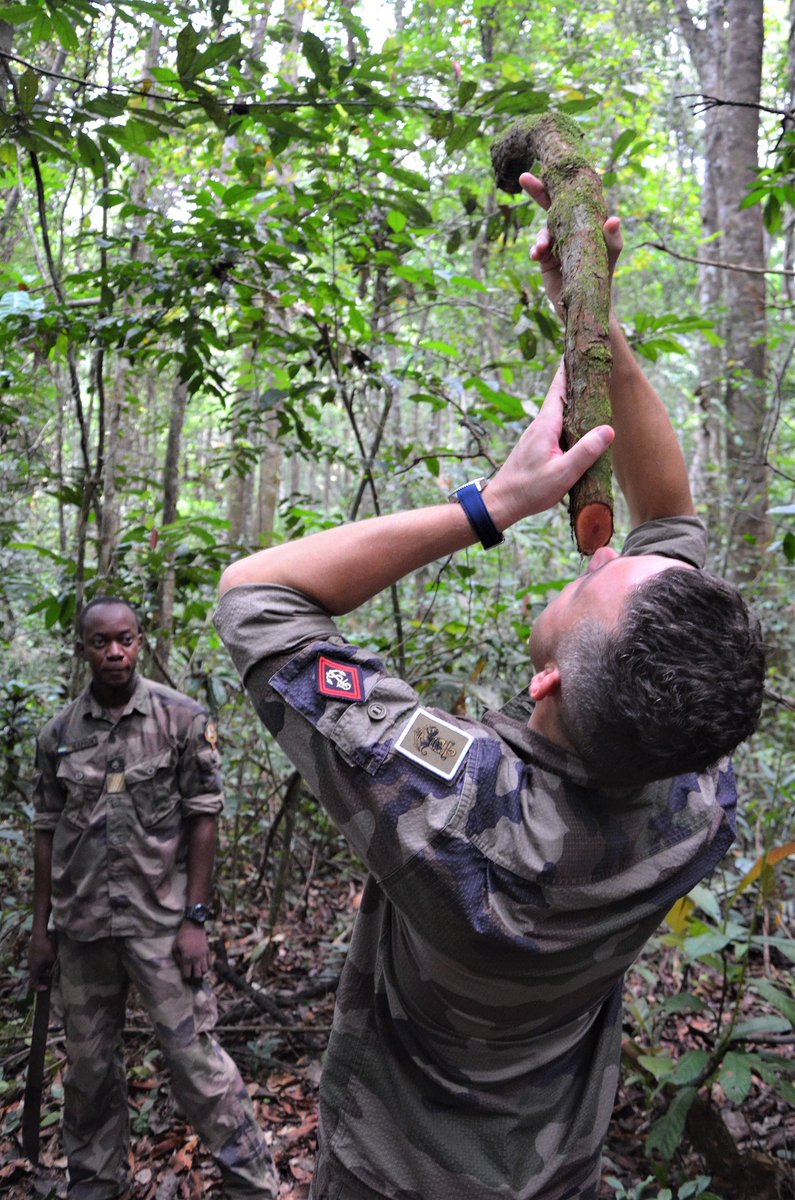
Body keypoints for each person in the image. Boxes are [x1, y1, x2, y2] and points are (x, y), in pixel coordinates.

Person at [212, 175, 765, 1200]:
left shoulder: (453, 805)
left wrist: (492, 504)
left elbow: (257, 595)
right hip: (559, 1170)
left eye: (594, 580)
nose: (607, 554)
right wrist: (589, 321)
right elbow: (671, 521)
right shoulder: (693, 787)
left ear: (546, 677)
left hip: (390, 1176)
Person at [29, 596, 278, 1200]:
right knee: (88, 1070)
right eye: (101, 642)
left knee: (195, 1062)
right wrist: (41, 931)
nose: (115, 652)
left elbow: (203, 818)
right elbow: (46, 831)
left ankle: (253, 1183)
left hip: (162, 925)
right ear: (83, 649)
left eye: (126, 639)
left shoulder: (181, 719)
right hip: (84, 928)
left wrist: (196, 919)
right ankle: (96, 1183)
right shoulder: (58, 735)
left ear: (140, 641)